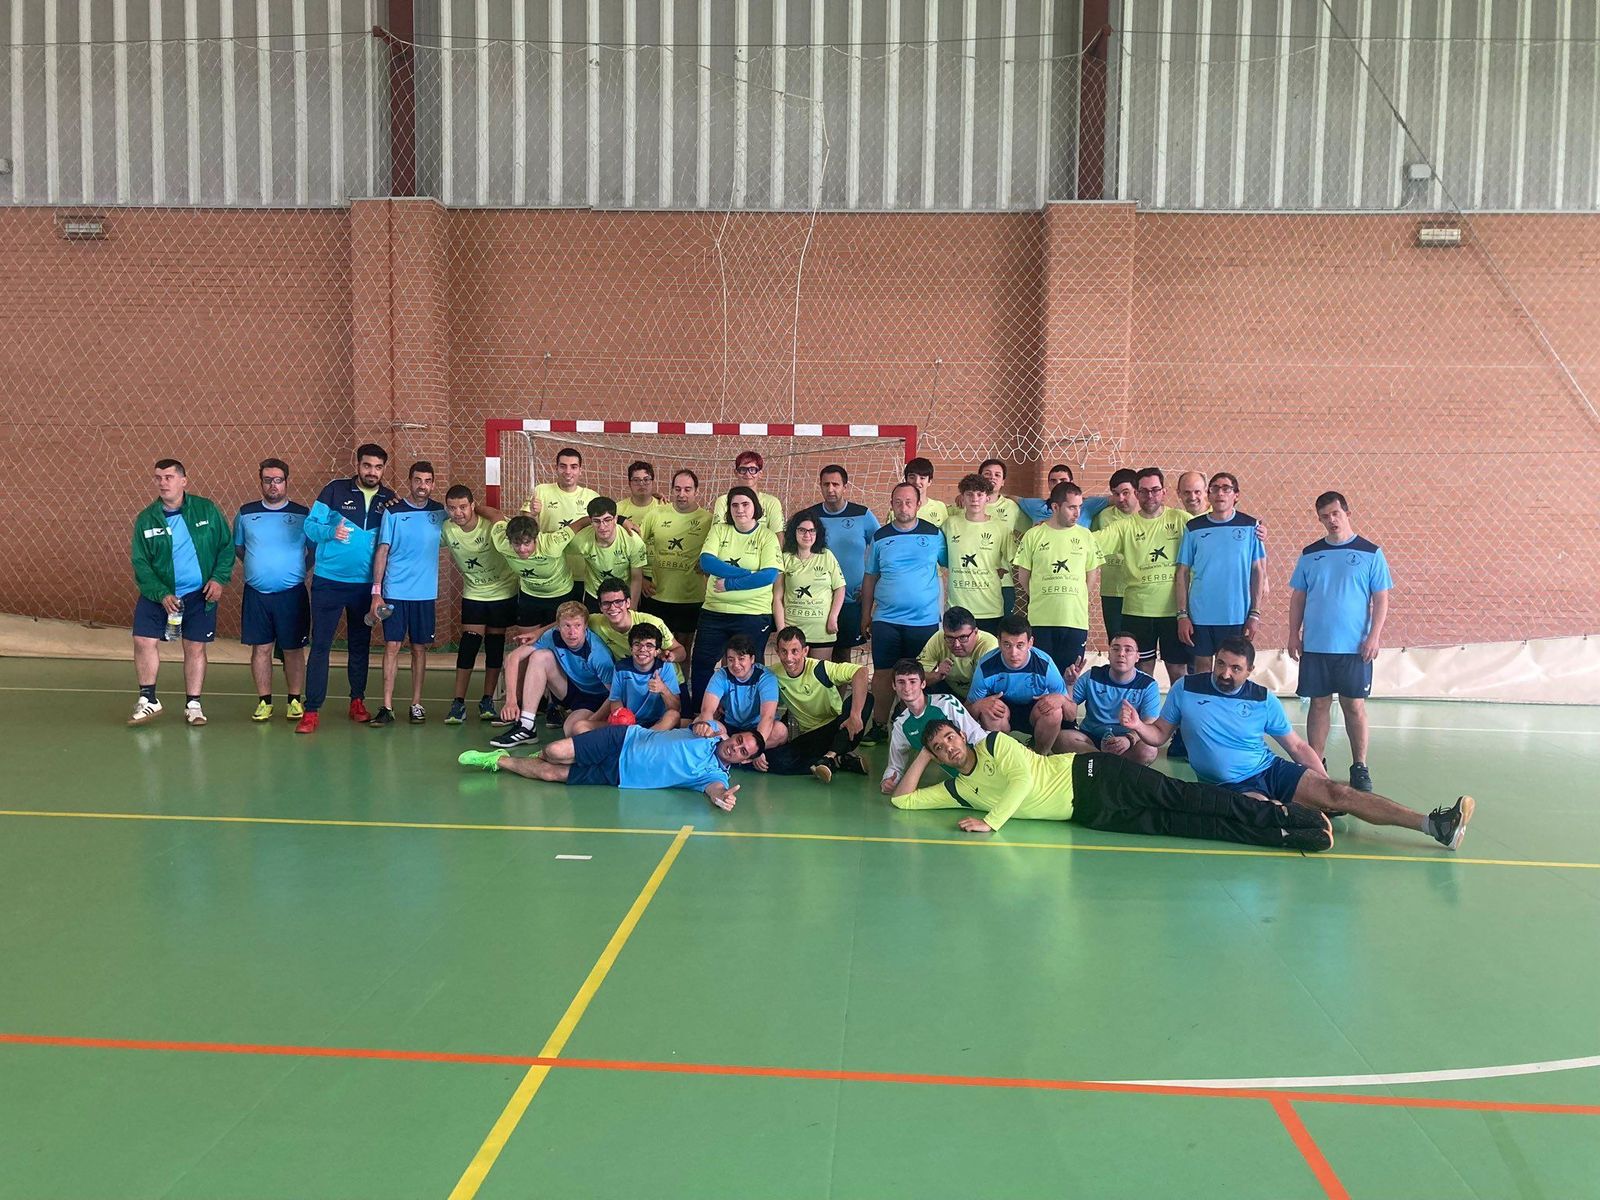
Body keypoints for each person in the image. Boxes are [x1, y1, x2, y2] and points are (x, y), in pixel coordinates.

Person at [1119, 637, 1474, 850]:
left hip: (1269, 768)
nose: (1226, 674)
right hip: (1225, 785)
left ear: (1250, 670)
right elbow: (1161, 733)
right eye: (1221, 665)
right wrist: (1138, 726)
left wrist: (1325, 785)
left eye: (1236, 668)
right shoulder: (1187, 688)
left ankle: (1433, 825)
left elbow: (1297, 748)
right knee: (1263, 811)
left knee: (1343, 795)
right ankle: (1305, 824)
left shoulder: (1262, 699)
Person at [892, 719, 1335, 852]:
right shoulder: (956, 790)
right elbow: (903, 802)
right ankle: (1281, 835)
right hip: (1091, 814)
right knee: (1183, 826)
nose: (947, 747)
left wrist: (992, 822)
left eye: (948, 737)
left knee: (1187, 796)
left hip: (1096, 774)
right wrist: (922, 755)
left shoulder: (993, 743)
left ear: (961, 734)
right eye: (938, 746)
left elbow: (1024, 779)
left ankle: (1284, 812)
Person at [1288, 491, 1394, 793]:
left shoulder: (1371, 552)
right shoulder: (1310, 553)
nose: (1331, 520)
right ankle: (1315, 765)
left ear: (1346, 512)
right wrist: (1293, 634)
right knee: (1318, 704)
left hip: (1354, 648)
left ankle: (1359, 766)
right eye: (1324, 516)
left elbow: (1381, 598)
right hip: (1316, 645)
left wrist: (1374, 636)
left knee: (1353, 705)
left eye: (1335, 513)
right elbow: (1299, 597)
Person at [297, 444, 396, 734]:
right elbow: (310, 526)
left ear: (383, 469)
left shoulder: (388, 499)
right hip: (328, 582)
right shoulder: (334, 490)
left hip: (365, 587)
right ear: (358, 464)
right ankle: (312, 710)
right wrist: (330, 532)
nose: (372, 472)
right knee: (321, 646)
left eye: (378, 467)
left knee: (359, 646)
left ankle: (357, 701)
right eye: (367, 466)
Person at [128, 458, 235, 727]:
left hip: (199, 596)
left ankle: (193, 705)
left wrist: (219, 579)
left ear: (183, 481)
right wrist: (161, 593)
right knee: (143, 640)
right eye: (158, 478)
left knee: (195, 647)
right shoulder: (146, 519)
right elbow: (141, 563)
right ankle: (148, 699)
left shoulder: (206, 510)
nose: (163, 482)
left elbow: (226, 547)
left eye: (168, 477)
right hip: (159, 596)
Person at [459, 723, 756, 811]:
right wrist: (704, 725)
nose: (736, 747)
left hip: (619, 775)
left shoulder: (716, 775)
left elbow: (715, 790)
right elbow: (702, 722)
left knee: (551, 773)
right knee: (553, 751)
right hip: (623, 739)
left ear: (743, 761)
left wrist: (721, 798)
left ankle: (495, 760)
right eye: (739, 740)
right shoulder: (713, 732)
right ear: (734, 734)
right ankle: (545, 754)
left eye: (743, 752)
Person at [1093, 467, 1193, 725]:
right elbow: (1090, 542)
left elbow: (1215, 526)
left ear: (1164, 491)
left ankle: (1180, 730)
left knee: (1178, 672)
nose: (1150, 496)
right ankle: (1140, 731)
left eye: (1155, 490)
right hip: (1137, 610)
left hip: (1174, 612)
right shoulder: (1124, 526)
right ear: (1137, 493)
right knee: (1139, 674)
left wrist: (1254, 532)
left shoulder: (1181, 520)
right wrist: (1053, 530)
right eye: (1145, 491)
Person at [860, 482, 948, 745]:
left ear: (919, 504)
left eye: (909, 502)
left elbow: (950, 565)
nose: (903, 507)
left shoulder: (935, 534)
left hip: (924, 621)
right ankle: (879, 725)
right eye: (898, 502)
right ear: (891, 504)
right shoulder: (881, 536)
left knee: (920, 676)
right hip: (886, 619)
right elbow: (870, 577)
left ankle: (921, 726)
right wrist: (866, 615)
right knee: (884, 674)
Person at [369, 461, 448, 726]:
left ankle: (416, 704)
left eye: (427, 480)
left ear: (433, 484)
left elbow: (468, 516)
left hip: (425, 595)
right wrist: (377, 592)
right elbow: (382, 551)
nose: (422, 485)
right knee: (392, 646)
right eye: (417, 480)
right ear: (410, 481)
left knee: (418, 648)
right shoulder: (393, 512)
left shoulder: (440, 512)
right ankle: (387, 706)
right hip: (395, 592)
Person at [690, 485, 780, 716]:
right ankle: (702, 716)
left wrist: (730, 584)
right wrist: (746, 574)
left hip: (752, 613)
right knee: (701, 663)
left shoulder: (766, 536)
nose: (740, 509)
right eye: (734, 505)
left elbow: (769, 575)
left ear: (755, 508)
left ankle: (747, 718)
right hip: (714, 610)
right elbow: (707, 562)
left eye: (745, 504)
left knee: (748, 667)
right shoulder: (720, 530)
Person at [233, 458, 309, 722]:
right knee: (261, 649)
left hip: (292, 594)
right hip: (256, 595)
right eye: (268, 480)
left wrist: (293, 572)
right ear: (261, 482)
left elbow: (312, 551)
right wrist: (260, 569)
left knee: (293, 649)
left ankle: (294, 700)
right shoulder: (245, 513)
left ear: (286, 481)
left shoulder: (302, 513)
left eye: (278, 480)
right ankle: (264, 702)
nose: (273, 485)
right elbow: (240, 549)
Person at [491, 601, 617, 747]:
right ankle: (526, 726)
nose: (572, 632)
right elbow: (513, 657)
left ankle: (615, 731)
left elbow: (614, 695)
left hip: (599, 699)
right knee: (540, 656)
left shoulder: (598, 655)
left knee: (573, 731)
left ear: (585, 626)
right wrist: (511, 700)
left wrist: (591, 721)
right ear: (558, 626)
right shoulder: (552, 635)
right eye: (566, 626)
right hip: (572, 689)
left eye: (577, 625)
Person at [1175, 472, 1266, 672]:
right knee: (1202, 669)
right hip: (1201, 615)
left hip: (1236, 615)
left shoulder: (1251, 527)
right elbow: (1182, 572)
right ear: (1209, 494)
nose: (1220, 493)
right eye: (1215, 488)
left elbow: (1258, 571)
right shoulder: (1193, 528)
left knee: (1232, 669)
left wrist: (1255, 613)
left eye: (1226, 489)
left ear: (1236, 495)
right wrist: (1182, 615)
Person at [440, 485, 516, 724]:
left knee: (495, 644)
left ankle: (487, 700)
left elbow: (501, 518)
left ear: (473, 505)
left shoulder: (491, 524)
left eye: (463, 506)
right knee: (469, 643)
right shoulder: (447, 529)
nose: (458, 513)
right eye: (452, 508)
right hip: (474, 593)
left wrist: (482, 510)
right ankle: (458, 703)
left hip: (503, 591)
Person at [1011, 481, 1104, 678]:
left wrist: (1077, 597)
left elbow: (1092, 573)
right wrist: (1042, 595)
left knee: (1068, 677)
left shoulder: (1086, 536)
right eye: (1071, 507)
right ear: (1055, 507)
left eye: (1079, 507)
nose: (1077, 513)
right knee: (1040, 676)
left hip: (1074, 620)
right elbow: (1023, 576)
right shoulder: (1034, 535)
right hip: (1040, 620)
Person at [764, 627, 873, 781]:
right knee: (775, 761)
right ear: (777, 651)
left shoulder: (820, 668)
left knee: (867, 698)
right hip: (811, 735)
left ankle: (829, 758)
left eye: (795, 651)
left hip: (840, 727)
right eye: (784, 651)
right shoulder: (772, 674)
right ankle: (838, 760)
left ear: (805, 651)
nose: (789, 658)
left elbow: (861, 672)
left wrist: (855, 714)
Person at [798, 464, 880, 662]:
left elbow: (882, 551)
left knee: (842, 654)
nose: (831, 489)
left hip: (852, 598)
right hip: (816, 599)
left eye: (836, 484)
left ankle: (838, 694)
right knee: (812, 656)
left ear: (845, 486)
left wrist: (872, 587)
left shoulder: (863, 514)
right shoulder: (810, 516)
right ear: (820, 486)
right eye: (826, 484)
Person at [964, 615, 1076, 754]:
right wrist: (979, 705)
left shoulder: (1045, 664)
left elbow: (1071, 715)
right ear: (998, 642)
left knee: (1054, 711)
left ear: (1030, 643)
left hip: (1035, 712)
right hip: (1003, 713)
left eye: (1020, 645)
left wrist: (1062, 700)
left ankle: (1039, 758)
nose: (1013, 653)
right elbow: (967, 713)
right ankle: (1003, 758)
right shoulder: (986, 665)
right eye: (1007, 645)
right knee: (989, 711)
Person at [879, 658, 987, 794]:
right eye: (901, 682)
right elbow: (895, 766)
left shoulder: (946, 703)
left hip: (985, 767)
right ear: (894, 686)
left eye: (913, 681)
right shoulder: (901, 724)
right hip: (963, 780)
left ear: (923, 683)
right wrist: (888, 780)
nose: (907, 688)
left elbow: (977, 736)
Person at [639, 469, 713, 663]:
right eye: (678, 489)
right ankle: (656, 690)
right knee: (654, 649)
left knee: (683, 652)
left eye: (687, 489)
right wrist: (642, 578)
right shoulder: (655, 514)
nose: (682, 494)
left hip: (690, 597)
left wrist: (708, 565)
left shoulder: (708, 520)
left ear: (696, 491)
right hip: (657, 595)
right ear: (671, 490)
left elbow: (717, 552)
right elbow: (635, 547)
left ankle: (682, 691)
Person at [1057, 631, 1160, 764]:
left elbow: (1149, 723)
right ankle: (1110, 764)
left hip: (1126, 741)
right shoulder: (1092, 676)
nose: (1121, 654)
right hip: (1091, 740)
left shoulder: (1148, 685)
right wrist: (1069, 684)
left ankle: (1098, 764)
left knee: (1149, 750)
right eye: (1115, 649)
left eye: (1128, 650)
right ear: (1109, 654)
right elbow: (1068, 711)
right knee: (1061, 739)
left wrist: (1129, 739)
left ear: (1137, 657)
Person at [573, 623, 682, 733]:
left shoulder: (665, 667)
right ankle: (636, 741)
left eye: (649, 645)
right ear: (631, 649)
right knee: (580, 726)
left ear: (657, 651)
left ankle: (641, 740)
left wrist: (663, 689)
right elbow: (616, 702)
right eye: (637, 644)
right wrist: (623, 720)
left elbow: (675, 707)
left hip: (656, 725)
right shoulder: (621, 668)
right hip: (627, 723)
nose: (642, 649)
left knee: (674, 716)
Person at [491, 506, 578, 634]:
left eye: (527, 543)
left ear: (535, 539)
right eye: (516, 543)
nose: (522, 549)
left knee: (558, 640)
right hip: (530, 596)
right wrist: (472, 509)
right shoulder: (501, 542)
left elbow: (580, 523)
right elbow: (494, 514)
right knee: (526, 640)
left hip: (560, 595)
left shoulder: (552, 543)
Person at [941, 473, 1010, 633]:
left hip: (990, 608)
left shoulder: (1000, 527)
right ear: (962, 498)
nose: (975, 499)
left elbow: (1011, 561)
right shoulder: (950, 524)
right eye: (969, 494)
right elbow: (942, 557)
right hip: (958, 607)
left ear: (987, 498)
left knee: (988, 655)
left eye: (980, 494)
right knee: (958, 656)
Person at [695, 633, 786, 750]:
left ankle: (742, 753)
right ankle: (737, 753)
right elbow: (707, 710)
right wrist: (707, 727)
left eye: (741, 659)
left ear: (752, 659)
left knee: (780, 731)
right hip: (730, 729)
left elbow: (767, 717)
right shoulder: (722, 675)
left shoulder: (765, 677)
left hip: (757, 730)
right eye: (731, 660)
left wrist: (756, 748)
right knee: (700, 722)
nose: (736, 665)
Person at [774, 511, 845, 652]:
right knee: (794, 673)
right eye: (802, 530)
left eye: (812, 530)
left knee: (819, 673)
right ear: (794, 532)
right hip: (793, 633)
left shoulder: (826, 556)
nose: (807, 535)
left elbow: (840, 588)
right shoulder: (785, 558)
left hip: (822, 632)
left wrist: (833, 617)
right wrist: (781, 630)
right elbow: (777, 598)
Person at [533, 446, 598, 584]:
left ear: (580, 470)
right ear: (556, 468)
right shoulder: (541, 491)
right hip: (552, 572)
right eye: (563, 466)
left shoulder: (592, 496)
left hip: (583, 574)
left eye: (573, 467)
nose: (568, 471)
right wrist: (532, 514)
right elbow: (525, 525)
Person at [570, 495, 648, 610]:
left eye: (607, 520)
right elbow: (557, 549)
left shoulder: (633, 541)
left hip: (622, 595)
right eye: (596, 521)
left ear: (616, 519)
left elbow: (636, 577)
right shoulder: (581, 540)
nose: (602, 526)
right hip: (594, 594)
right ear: (590, 521)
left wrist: (632, 609)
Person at [587, 577, 684, 667]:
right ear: (600, 607)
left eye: (618, 602)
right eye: (606, 603)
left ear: (628, 602)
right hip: (630, 678)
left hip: (666, 680)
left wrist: (671, 656)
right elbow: (575, 617)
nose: (612, 608)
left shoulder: (653, 623)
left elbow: (681, 651)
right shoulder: (594, 622)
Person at [1091, 469, 1139, 640]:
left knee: (1137, 645)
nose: (1121, 499)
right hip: (1112, 591)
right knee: (1116, 641)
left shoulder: (1145, 518)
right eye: (1116, 494)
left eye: (1126, 493)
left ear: (1137, 490)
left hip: (1139, 591)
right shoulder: (1103, 516)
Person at [917, 606, 999, 701]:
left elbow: (994, 690)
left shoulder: (990, 647)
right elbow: (914, 677)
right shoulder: (939, 638)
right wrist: (937, 675)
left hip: (984, 697)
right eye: (950, 638)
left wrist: (969, 710)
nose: (956, 645)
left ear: (976, 632)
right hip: (951, 693)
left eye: (963, 637)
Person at [712, 450, 784, 535]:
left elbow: (778, 535)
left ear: (760, 474)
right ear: (736, 473)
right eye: (743, 469)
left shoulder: (772, 502)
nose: (747, 474)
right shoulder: (723, 501)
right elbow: (716, 533)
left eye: (753, 470)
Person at [1019, 463, 1111, 528]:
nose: (1058, 484)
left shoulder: (1088, 505)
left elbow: (1116, 499)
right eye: (1053, 481)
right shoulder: (1035, 506)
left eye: (1063, 480)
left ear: (1071, 483)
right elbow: (1011, 498)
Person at [903, 457, 947, 528]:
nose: (917, 482)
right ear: (906, 479)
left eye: (922, 478)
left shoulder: (940, 507)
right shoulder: (898, 509)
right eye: (912, 477)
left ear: (929, 481)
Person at [616, 460, 662, 527]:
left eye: (646, 479)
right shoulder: (617, 509)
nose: (641, 484)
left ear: (653, 482)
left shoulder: (664, 507)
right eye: (636, 480)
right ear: (629, 484)